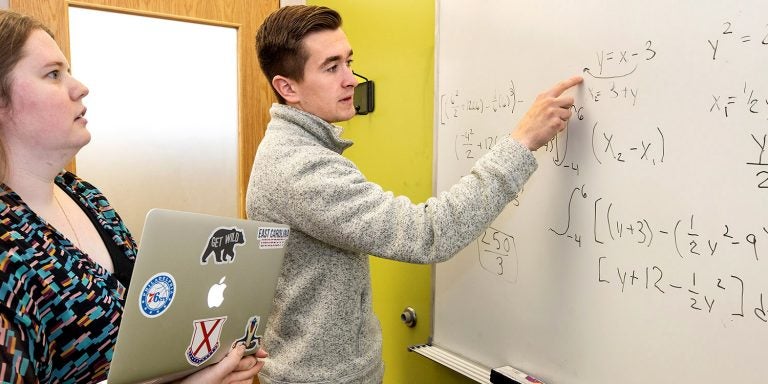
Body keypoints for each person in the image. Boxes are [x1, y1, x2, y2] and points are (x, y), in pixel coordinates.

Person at [247, 5, 582, 384]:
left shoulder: (297, 150)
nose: (351, 79)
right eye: (331, 67)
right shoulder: (300, 167)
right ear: (287, 87)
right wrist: (522, 143)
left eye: (349, 61)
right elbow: (429, 233)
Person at [0, 9, 266, 384]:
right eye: (53, 74)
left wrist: (206, 360)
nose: (79, 87)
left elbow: (146, 327)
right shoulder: (7, 243)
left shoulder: (85, 196)